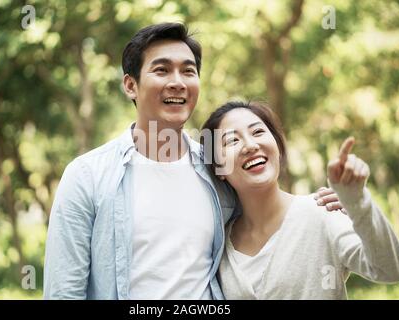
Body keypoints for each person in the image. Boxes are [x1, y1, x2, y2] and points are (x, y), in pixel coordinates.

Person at [43, 23, 341, 300]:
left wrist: (311, 206)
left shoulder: (217, 164)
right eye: (162, 70)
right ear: (130, 85)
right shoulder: (87, 176)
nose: (177, 82)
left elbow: (263, 209)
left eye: (188, 71)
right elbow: (63, 292)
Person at [201, 100, 399, 299]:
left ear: (278, 146)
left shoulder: (322, 212)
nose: (250, 145)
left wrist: (358, 202)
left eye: (258, 132)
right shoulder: (218, 247)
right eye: (232, 141)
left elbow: (392, 270)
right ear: (218, 169)